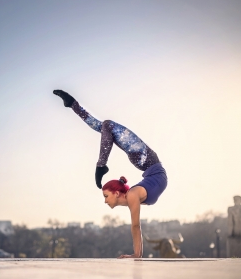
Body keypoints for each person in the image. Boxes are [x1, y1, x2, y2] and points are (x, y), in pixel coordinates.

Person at [53, 89, 168, 259]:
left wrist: (136, 255)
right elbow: (136, 226)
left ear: (116, 192)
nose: (105, 201)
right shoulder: (132, 197)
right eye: (105, 197)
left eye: (106, 196)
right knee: (105, 127)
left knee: (106, 126)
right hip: (148, 163)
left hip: (150, 163)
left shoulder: (133, 195)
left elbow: (136, 227)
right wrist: (137, 255)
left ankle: (101, 164)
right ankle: (73, 105)